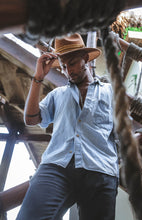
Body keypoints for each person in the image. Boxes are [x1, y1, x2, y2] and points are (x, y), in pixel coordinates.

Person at [16, 33, 121, 220]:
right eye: (63, 67)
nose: (67, 71)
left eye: (72, 63)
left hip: (100, 170)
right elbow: (31, 119)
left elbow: (125, 132)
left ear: (85, 59)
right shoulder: (58, 95)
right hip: (57, 167)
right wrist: (38, 77)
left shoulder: (110, 93)